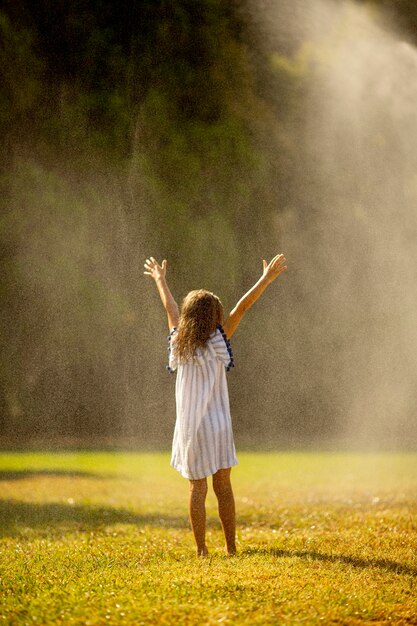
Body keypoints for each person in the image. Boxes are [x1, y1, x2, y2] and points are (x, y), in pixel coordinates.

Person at [144, 254, 287, 556]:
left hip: (191, 430)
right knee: (223, 488)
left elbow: (169, 307)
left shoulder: (178, 344)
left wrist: (160, 279)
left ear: (188, 317)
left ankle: (201, 551)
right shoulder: (218, 342)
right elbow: (242, 307)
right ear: (215, 319)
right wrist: (265, 280)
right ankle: (232, 548)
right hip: (219, 426)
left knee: (198, 489)